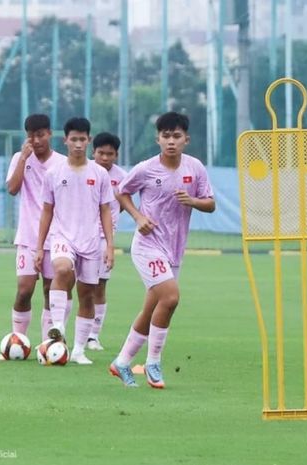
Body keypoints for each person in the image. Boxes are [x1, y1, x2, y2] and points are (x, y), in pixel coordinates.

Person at [109, 111, 215, 388]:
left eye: (176, 136)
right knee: (170, 298)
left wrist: (191, 200)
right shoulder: (146, 168)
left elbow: (211, 203)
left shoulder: (195, 168)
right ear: (158, 139)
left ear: (186, 139)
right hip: (147, 246)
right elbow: (121, 191)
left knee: (152, 308)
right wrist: (138, 217)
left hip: (174, 249)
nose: (171, 141)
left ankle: (121, 363)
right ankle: (153, 362)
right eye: (166, 136)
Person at [35, 117, 114, 365]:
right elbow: (47, 210)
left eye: (82, 139)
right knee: (61, 269)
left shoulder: (99, 173)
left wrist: (110, 245)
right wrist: (39, 247)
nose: (78, 144)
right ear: (65, 140)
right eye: (74, 139)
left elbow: (105, 211)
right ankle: (57, 325)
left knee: (87, 295)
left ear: (88, 141)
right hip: (62, 236)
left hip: (91, 241)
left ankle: (79, 350)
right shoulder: (54, 173)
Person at [4, 114, 66, 352]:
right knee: (24, 289)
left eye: (41, 134)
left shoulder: (62, 163)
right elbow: (12, 189)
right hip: (28, 236)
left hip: (56, 237)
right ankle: (17, 341)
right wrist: (23, 159)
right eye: (31, 136)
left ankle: (47, 345)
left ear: (49, 134)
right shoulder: (21, 158)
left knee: (51, 290)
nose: (37, 140)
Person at [87, 132, 127, 351]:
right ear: (93, 152)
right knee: (75, 285)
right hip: (80, 235)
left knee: (99, 286)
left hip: (104, 239)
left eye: (109, 154)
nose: (104, 157)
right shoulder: (84, 170)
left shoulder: (122, 177)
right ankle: (61, 331)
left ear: (116, 155)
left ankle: (93, 336)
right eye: (100, 153)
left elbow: (120, 204)